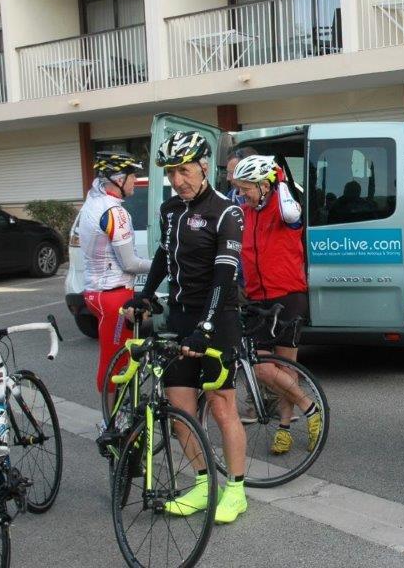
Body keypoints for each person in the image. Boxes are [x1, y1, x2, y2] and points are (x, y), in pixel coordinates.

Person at [124, 130, 249, 525]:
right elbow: (164, 255)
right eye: (171, 172)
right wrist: (145, 294)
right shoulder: (170, 209)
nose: (177, 180)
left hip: (218, 319)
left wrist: (207, 325)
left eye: (184, 170)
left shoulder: (227, 212)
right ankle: (202, 484)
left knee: (222, 405)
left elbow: (224, 275)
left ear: (204, 166)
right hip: (180, 318)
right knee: (179, 407)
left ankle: (236, 490)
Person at [230, 154, 322, 455]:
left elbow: (292, 212)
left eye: (247, 187)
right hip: (257, 298)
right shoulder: (245, 213)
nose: (242, 193)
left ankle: (284, 428)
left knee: (286, 367)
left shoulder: (285, 209)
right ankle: (311, 408)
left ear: (265, 185)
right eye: (240, 187)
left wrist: (278, 179)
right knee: (261, 367)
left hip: (288, 295)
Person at [77, 150, 152, 394]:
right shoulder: (115, 212)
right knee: (114, 360)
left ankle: (122, 408)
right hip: (113, 294)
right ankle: (109, 415)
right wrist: (163, 264)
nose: (135, 181)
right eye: (132, 176)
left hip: (96, 290)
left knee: (123, 355)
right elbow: (130, 264)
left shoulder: (92, 200)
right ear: (119, 179)